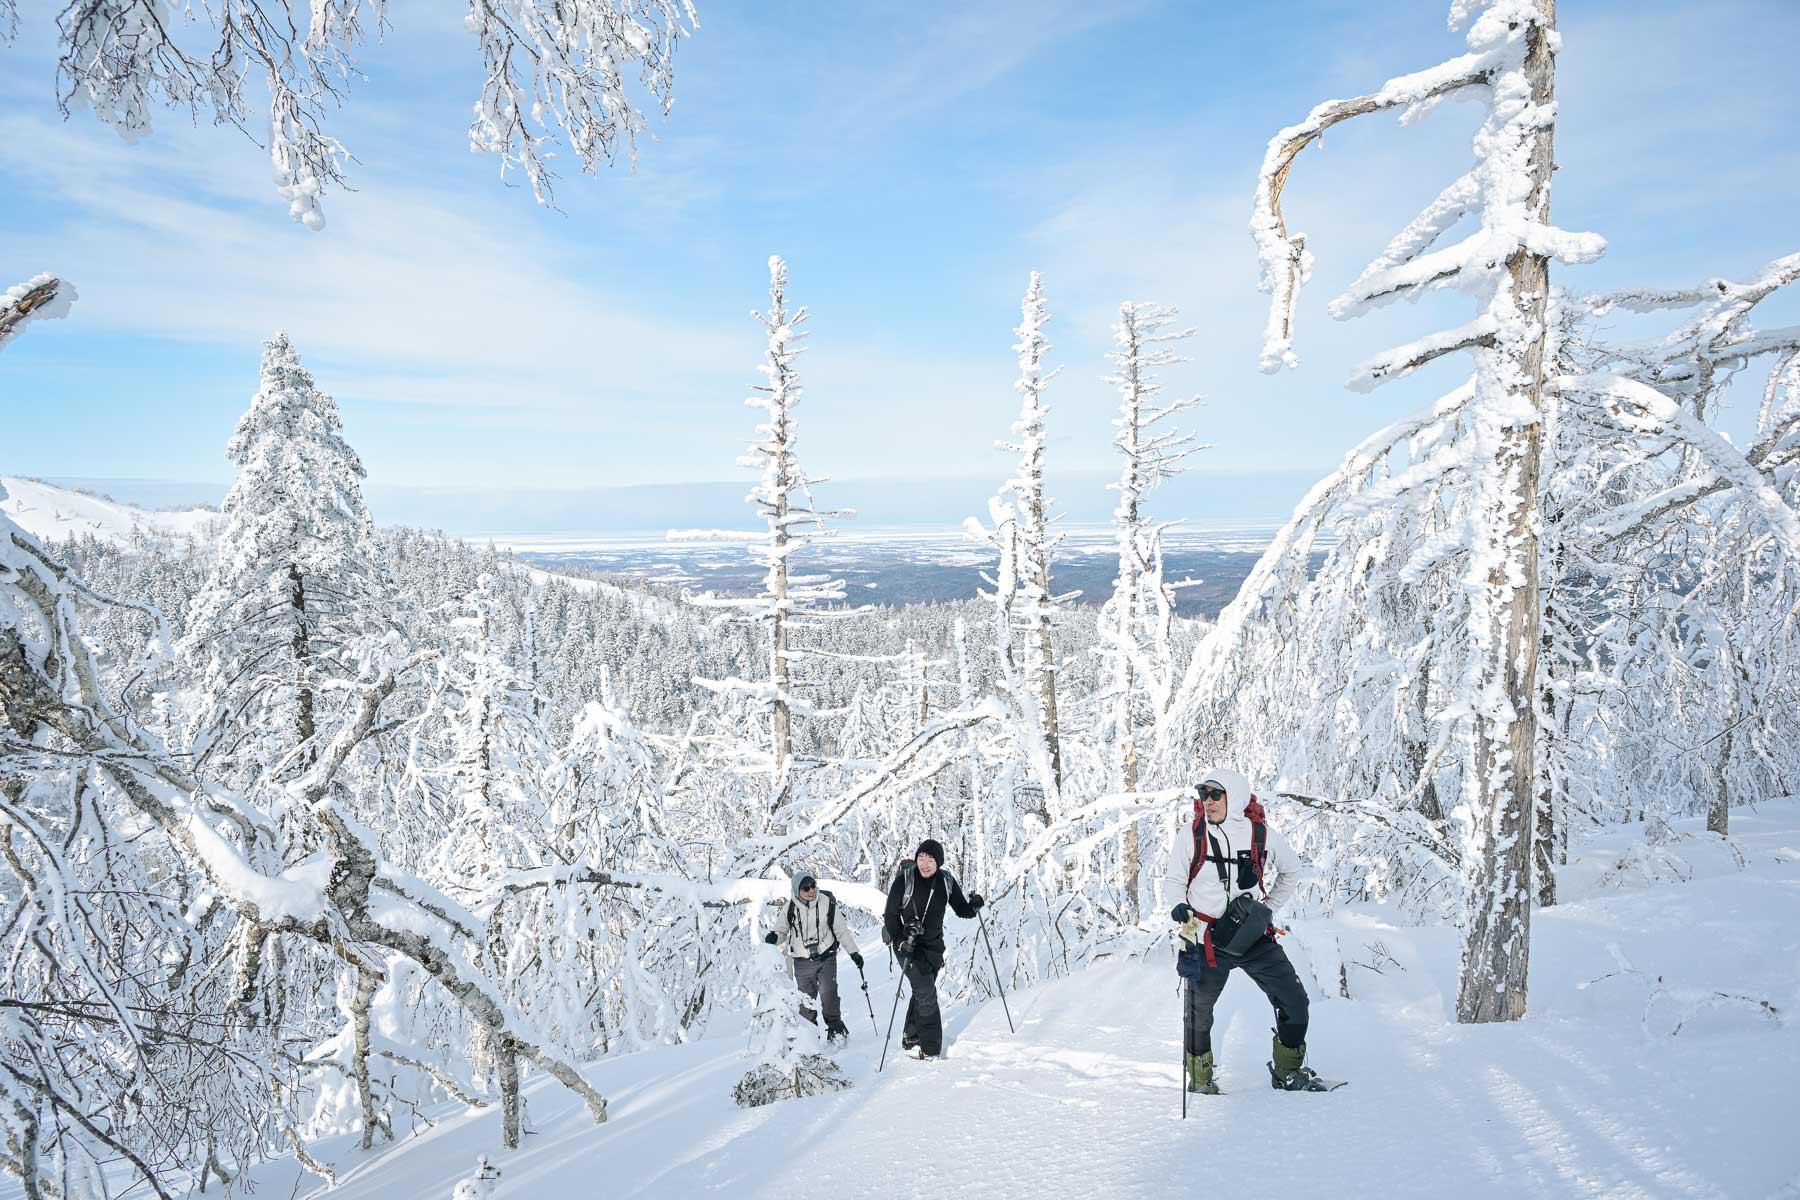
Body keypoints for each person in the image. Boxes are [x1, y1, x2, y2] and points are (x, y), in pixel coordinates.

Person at [1162, 767, 1337, 1093]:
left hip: (1253, 936)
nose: (1208, 801)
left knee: (1295, 1000)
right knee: (1198, 1013)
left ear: (1235, 796)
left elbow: (1291, 870)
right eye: (1204, 794)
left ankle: (1288, 1072)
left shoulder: (1259, 834)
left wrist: (1268, 908)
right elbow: (1174, 880)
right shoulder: (1192, 833)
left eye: (1216, 794)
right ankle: (1201, 1081)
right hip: (1205, 937)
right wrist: (1178, 905)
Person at [882, 839, 983, 1061]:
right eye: (921, 858)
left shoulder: (946, 881)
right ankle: (930, 1049)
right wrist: (901, 941)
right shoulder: (904, 881)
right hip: (907, 946)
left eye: (930, 860)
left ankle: (911, 1036)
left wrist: (974, 906)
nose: (925, 864)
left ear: (939, 862)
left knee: (921, 992)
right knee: (926, 993)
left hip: (934, 949)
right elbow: (889, 916)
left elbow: (962, 910)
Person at [763, 871, 864, 1044]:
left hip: (826, 957)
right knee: (805, 1001)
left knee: (829, 995)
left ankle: (836, 1030)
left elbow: (841, 931)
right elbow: (781, 931)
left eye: (813, 886)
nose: (811, 890)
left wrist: (854, 953)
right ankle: (809, 1037)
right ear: (797, 890)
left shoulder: (827, 903)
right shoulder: (790, 908)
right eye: (806, 888)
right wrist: (774, 937)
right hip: (801, 961)